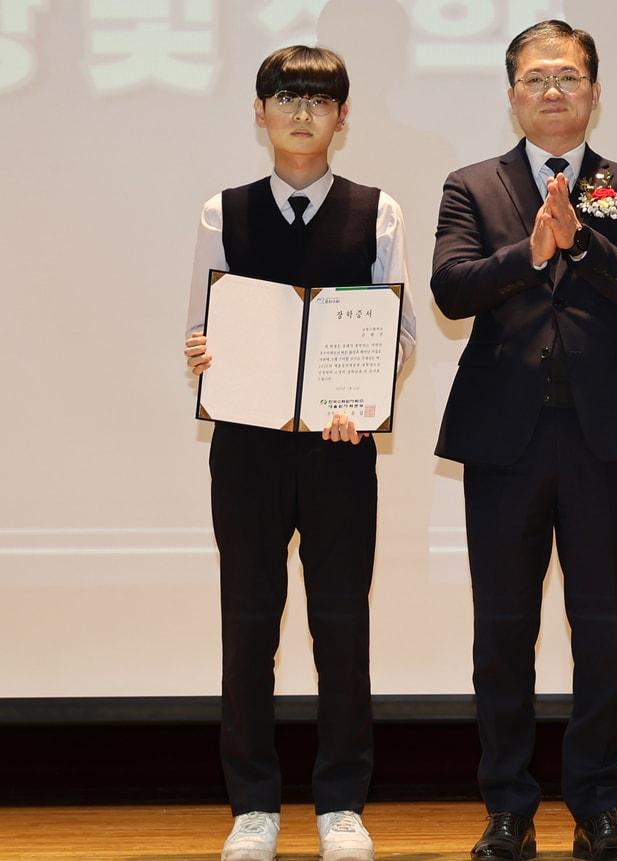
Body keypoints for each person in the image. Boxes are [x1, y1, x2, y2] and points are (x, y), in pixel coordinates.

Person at [430, 19, 617, 861]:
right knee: (502, 631)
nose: (553, 92)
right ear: (511, 96)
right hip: (505, 441)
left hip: (602, 439)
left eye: (568, 77)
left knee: (601, 630)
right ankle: (507, 807)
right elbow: (451, 289)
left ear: (596, 92)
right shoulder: (472, 185)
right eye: (535, 79)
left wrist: (583, 242)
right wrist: (528, 253)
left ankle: (598, 808)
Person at [183, 45, 417, 861]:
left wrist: (364, 398)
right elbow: (204, 328)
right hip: (245, 450)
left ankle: (341, 802)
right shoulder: (224, 210)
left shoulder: (376, 210)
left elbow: (401, 333)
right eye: (286, 97)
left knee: (340, 624)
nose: (302, 113)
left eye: (320, 100)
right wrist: (203, 355)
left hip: (339, 449)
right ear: (259, 112)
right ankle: (253, 803)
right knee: (248, 624)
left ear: (343, 117)